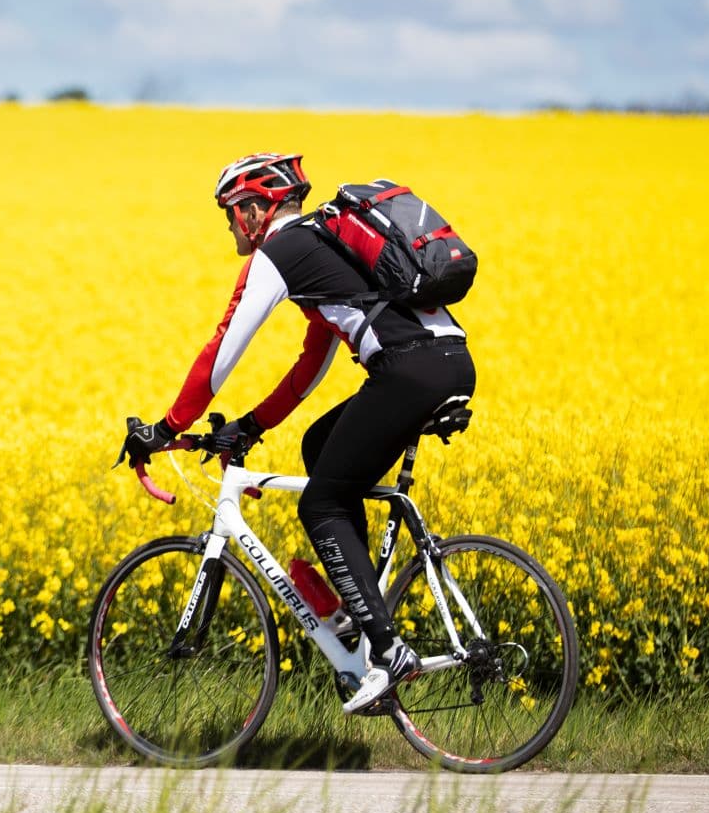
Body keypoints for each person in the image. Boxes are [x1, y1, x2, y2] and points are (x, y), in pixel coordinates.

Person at [120, 152, 476, 714]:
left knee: (321, 505)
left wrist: (166, 429)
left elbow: (221, 353)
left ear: (256, 210)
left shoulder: (280, 252)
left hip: (408, 370)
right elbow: (313, 360)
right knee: (319, 448)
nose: (231, 225)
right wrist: (252, 426)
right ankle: (362, 615)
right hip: (447, 361)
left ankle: (386, 652)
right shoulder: (323, 243)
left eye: (232, 212)